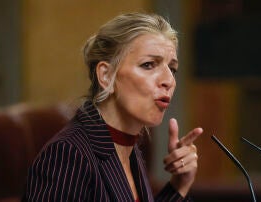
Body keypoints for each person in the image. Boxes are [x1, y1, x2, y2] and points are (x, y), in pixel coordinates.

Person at [23, 13, 203, 201]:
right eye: (148, 65)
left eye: (172, 69)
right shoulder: (68, 154)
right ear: (106, 75)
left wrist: (179, 184)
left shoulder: (128, 146)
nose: (169, 81)